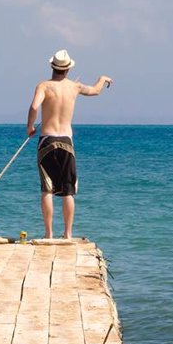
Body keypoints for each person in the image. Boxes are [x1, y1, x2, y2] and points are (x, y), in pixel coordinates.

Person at [26, 49, 113, 239]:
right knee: (68, 191)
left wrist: (30, 127)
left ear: (52, 67)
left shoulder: (43, 86)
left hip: (47, 140)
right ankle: (67, 234)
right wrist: (102, 78)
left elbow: (34, 106)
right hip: (66, 141)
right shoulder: (74, 87)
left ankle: (48, 234)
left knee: (47, 188)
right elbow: (95, 91)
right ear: (67, 69)